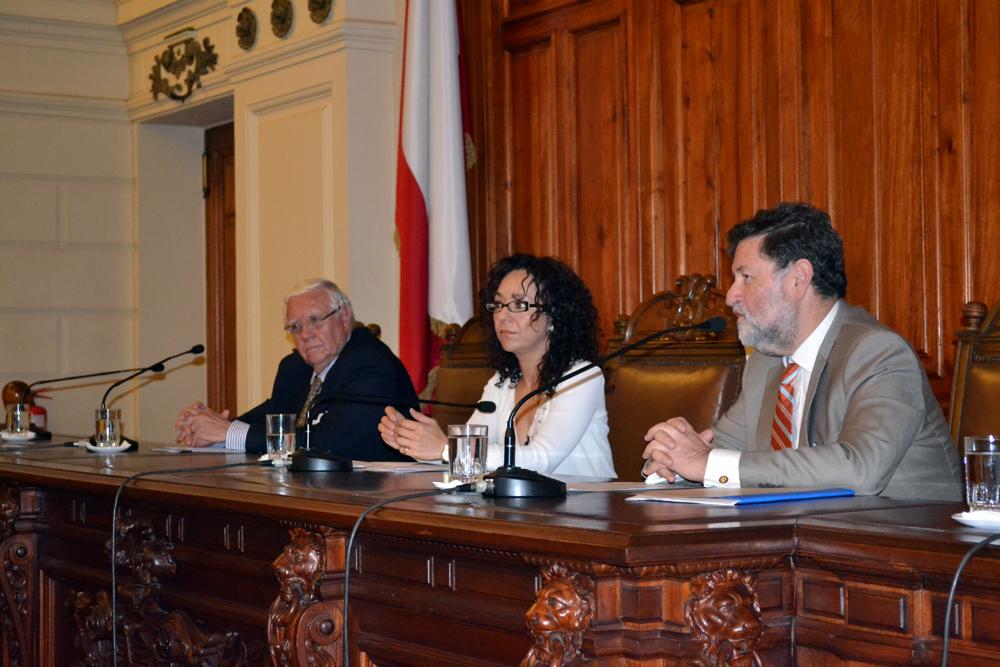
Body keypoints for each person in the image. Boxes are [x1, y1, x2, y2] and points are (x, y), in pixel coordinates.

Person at [642, 202, 962, 500]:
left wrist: (707, 464)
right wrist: (672, 459)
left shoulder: (878, 353)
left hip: (906, 548)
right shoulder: (765, 364)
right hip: (803, 543)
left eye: (746, 277)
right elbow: (718, 455)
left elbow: (861, 470)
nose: (730, 297)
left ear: (798, 279)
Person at [379, 254, 617, 479]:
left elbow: (543, 459)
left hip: (585, 513)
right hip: (524, 512)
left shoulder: (581, 377)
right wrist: (415, 443)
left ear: (554, 315)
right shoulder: (502, 382)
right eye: (498, 305)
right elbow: (465, 457)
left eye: (519, 305)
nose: (503, 316)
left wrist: (445, 448)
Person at [175, 279, 417, 460]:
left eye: (315, 320)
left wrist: (227, 432)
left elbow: (327, 443)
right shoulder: (295, 368)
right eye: (295, 326)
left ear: (344, 318)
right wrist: (209, 431)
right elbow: (272, 417)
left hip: (371, 502)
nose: (305, 334)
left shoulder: (371, 364)